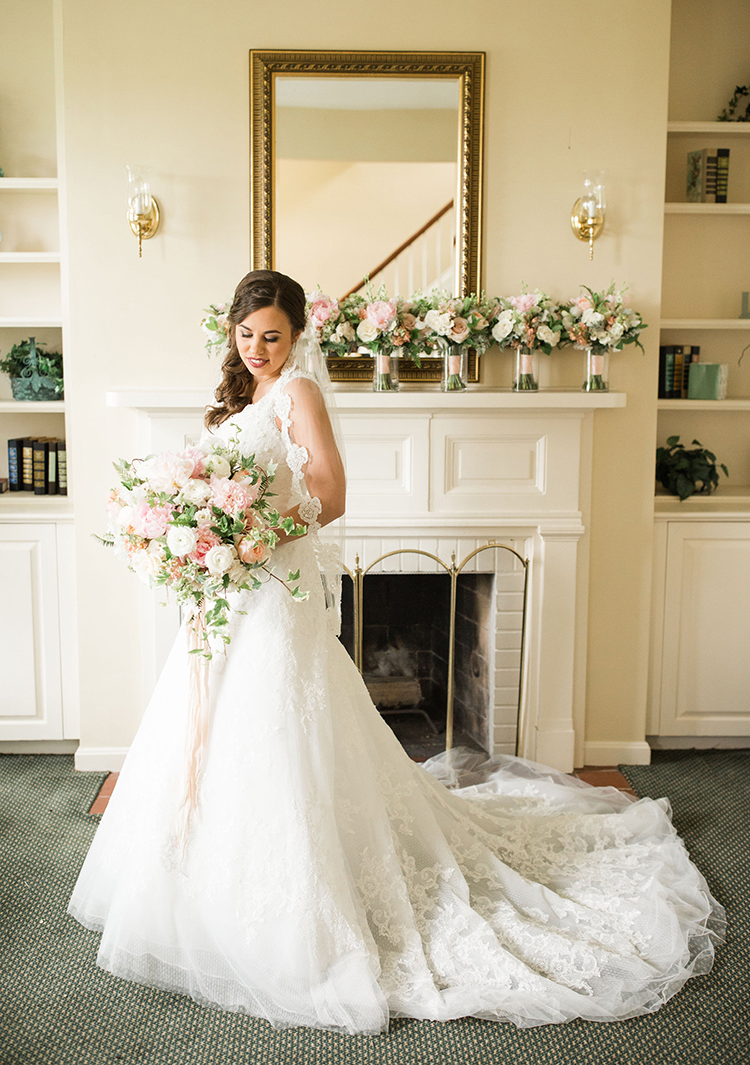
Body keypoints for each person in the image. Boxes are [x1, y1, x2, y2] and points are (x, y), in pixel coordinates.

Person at [69, 269, 723, 1036]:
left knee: (280, 734)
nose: (257, 349)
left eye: (272, 335)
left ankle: (305, 904)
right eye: (246, 335)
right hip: (232, 591)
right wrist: (207, 539)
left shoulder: (299, 393)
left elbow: (334, 495)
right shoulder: (240, 398)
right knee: (211, 727)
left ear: (297, 334)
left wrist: (252, 537)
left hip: (273, 589)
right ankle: (197, 888)